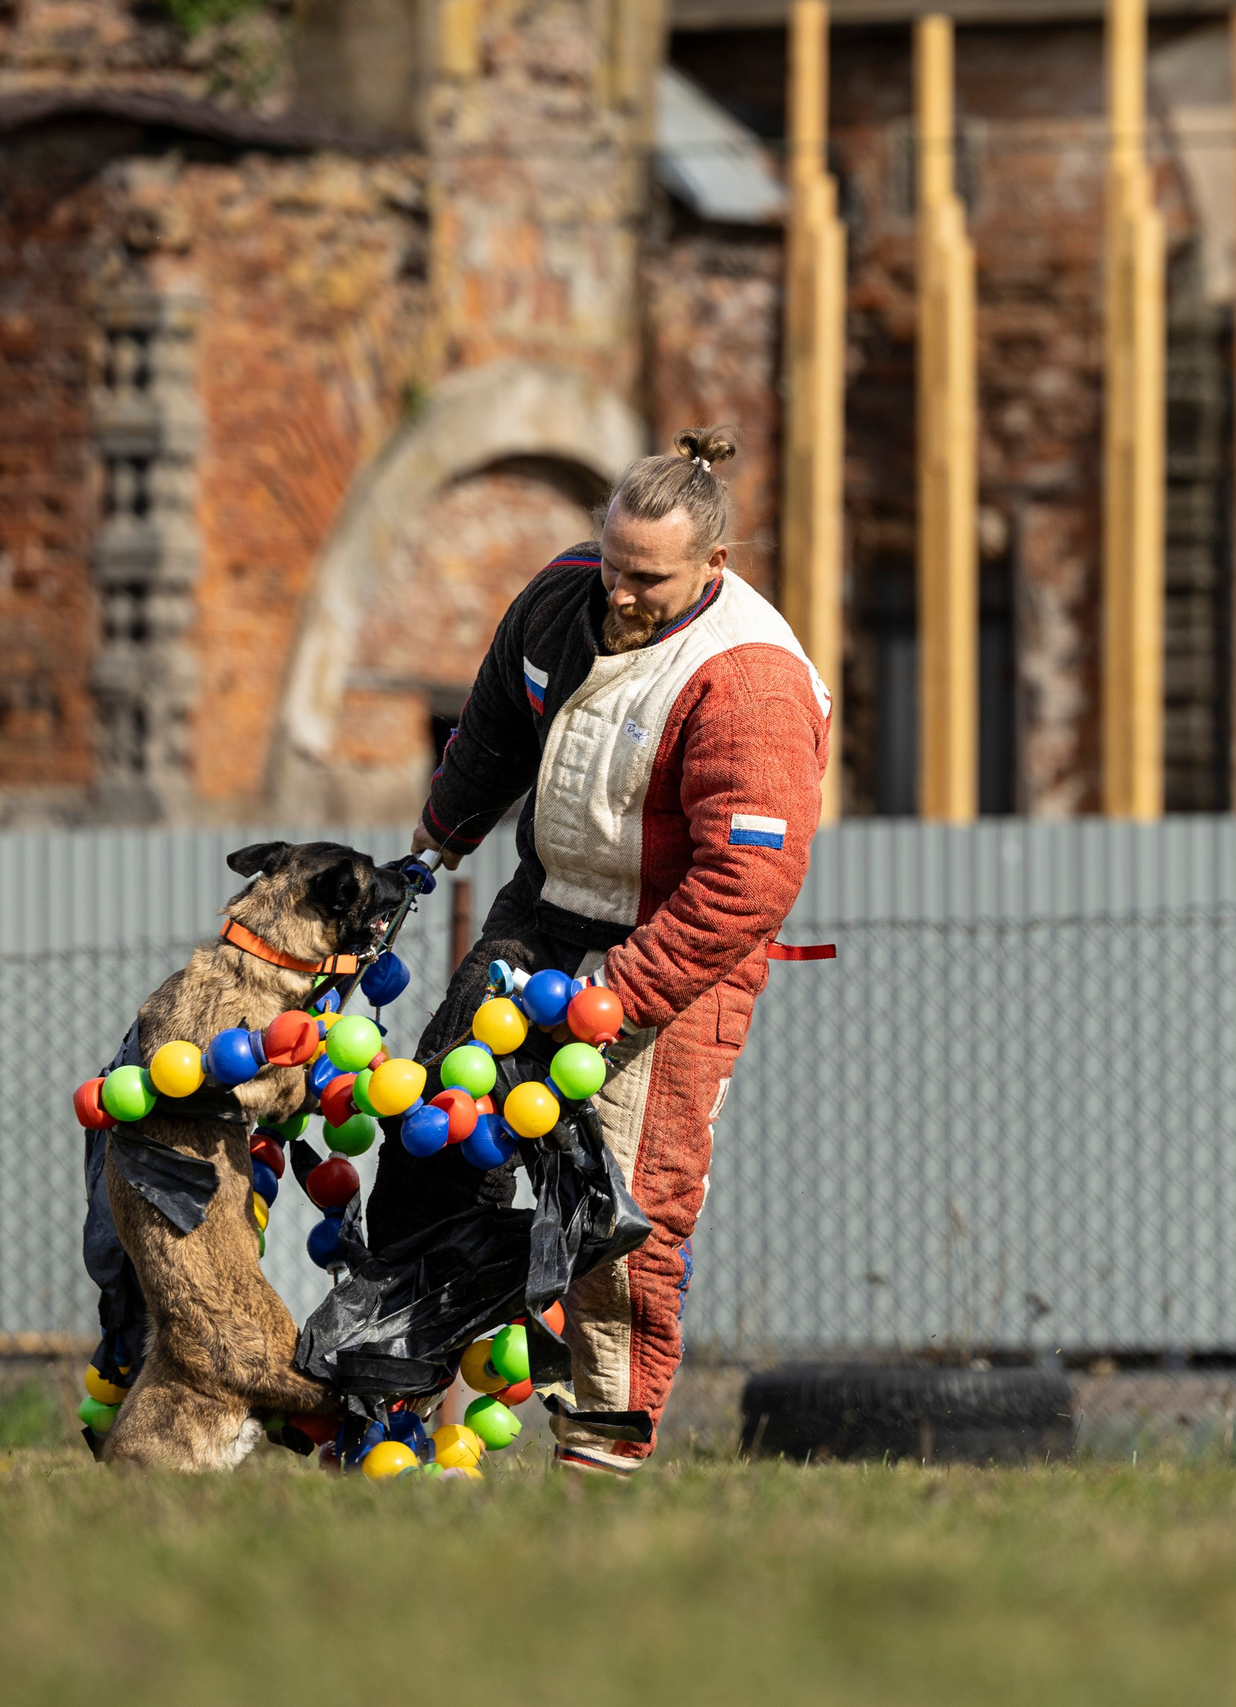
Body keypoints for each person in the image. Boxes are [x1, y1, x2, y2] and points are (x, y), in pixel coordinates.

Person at [377, 425, 829, 1473]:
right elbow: (492, 727)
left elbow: (745, 885)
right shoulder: (558, 597)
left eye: (649, 581)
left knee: (620, 1218)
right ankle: (388, 1418)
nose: (620, 595)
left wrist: (615, 996)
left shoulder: (749, 683)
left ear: (714, 566)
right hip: (545, 908)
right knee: (434, 1143)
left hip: (671, 951)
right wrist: (436, 843)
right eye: (614, 565)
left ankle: (598, 1459)